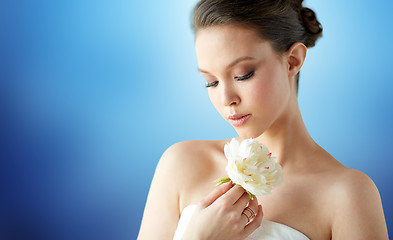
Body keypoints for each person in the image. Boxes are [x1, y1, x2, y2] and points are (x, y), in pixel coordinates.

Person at [138, 0, 389, 239]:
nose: (226, 99)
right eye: (211, 82)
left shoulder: (348, 194)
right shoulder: (182, 164)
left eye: (243, 75)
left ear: (293, 61)